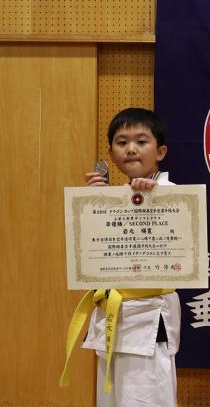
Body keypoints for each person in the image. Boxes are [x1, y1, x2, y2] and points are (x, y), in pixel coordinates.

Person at [60, 108, 180, 407]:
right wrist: (92, 205)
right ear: (111, 154)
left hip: (149, 320)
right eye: (121, 142)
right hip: (112, 317)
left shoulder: (172, 193)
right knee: (111, 399)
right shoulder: (112, 196)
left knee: (147, 397)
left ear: (160, 151)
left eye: (141, 141)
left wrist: (153, 198)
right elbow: (87, 255)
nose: (131, 149)